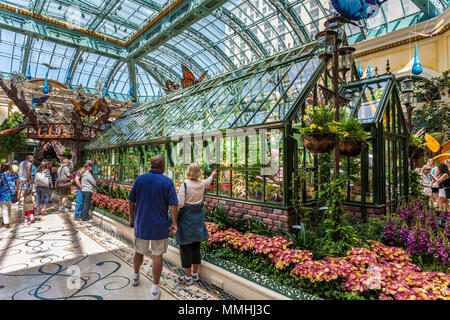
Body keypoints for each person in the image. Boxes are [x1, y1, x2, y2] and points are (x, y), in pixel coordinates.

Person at [128, 155, 178, 300]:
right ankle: (155, 289)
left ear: (150, 165)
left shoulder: (140, 179)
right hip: (160, 226)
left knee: (139, 251)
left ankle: (135, 276)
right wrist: (174, 223)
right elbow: (173, 205)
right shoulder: (167, 182)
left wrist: (131, 218)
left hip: (141, 224)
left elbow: (131, 201)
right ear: (163, 167)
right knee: (157, 255)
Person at [176, 164, 216, 285]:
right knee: (196, 247)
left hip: (186, 221)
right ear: (199, 172)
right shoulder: (202, 184)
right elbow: (208, 181)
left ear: (188, 172)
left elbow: (181, 204)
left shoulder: (184, 186)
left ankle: (188, 278)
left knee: (185, 248)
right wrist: (212, 174)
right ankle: (195, 274)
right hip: (198, 220)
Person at [0, 162, 19, 228]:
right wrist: (18, 194)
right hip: (12, 194)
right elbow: (17, 185)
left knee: (4, 208)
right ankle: (5, 221)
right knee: (9, 207)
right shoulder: (14, 174)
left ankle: (6, 222)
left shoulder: (1, 175)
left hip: (3, 194)